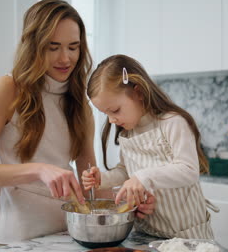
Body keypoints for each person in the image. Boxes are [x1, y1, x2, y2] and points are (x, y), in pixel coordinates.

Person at [0, 0, 154, 247]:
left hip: (66, 237)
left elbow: (90, 186)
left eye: (73, 47)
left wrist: (128, 203)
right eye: (53, 47)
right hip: (15, 239)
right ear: (34, 45)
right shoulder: (8, 89)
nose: (65, 58)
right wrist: (38, 169)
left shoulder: (80, 102)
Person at [82, 54, 219, 239]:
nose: (111, 119)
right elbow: (126, 172)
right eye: (105, 114)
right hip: (148, 233)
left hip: (188, 234)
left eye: (114, 110)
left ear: (138, 92)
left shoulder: (173, 123)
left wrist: (143, 178)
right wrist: (103, 179)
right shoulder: (128, 134)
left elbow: (188, 169)